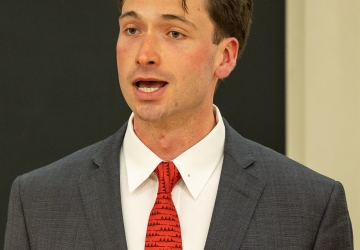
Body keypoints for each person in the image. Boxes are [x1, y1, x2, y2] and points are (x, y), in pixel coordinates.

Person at [4, 0, 354, 248]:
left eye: (173, 33)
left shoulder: (310, 209)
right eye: (132, 29)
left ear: (226, 56)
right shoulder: (38, 203)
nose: (144, 54)